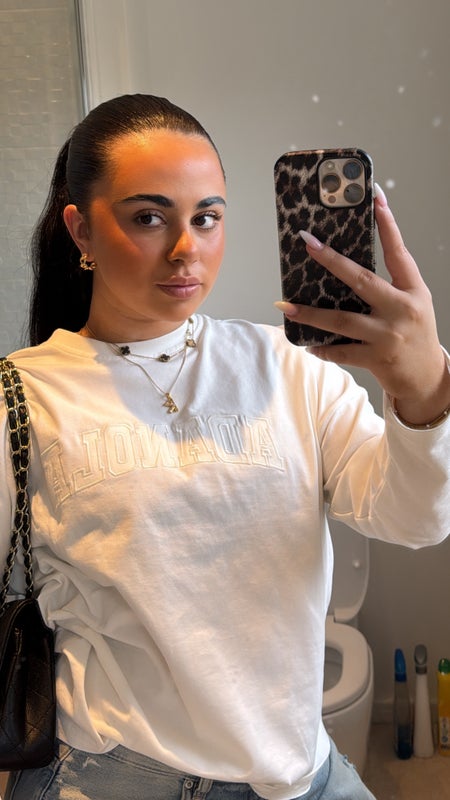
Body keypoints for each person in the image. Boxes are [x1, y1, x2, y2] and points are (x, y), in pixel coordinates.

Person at [1, 93, 449, 800]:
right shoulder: (23, 397)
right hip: (111, 777)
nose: (187, 248)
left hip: (296, 772)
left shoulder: (290, 367)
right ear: (81, 229)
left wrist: (425, 393)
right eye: (149, 217)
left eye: (206, 217)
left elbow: (415, 519)